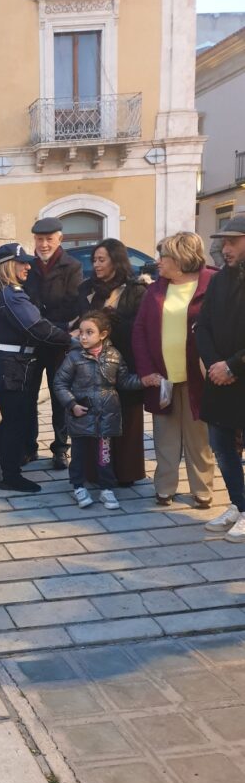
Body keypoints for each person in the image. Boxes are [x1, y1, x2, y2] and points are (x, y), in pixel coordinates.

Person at [132, 232, 216, 507]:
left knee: (199, 437)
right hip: (163, 378)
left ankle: (202, 490)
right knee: (165, 436)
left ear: (180, 259)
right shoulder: (156, 289)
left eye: (163, 256)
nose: (158, 262)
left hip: (199, 377)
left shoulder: (212, 283)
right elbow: (140, 330)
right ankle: (164, 488)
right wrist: (145, 370)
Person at [0, 243, 72, 493]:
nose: (28, 266)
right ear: (9, 266)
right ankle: (9, 475)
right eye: (22, 262)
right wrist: (72, 339)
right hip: (14, 368)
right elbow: (38, 328)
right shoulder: (12, 294)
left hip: (10, 366)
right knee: (17, 422)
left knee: (13, 420)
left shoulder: (1, 293)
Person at [54, 310, 160, 510]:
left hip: (107, 415)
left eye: (89, 332)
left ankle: (106, 487)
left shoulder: (114, 355)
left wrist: (144, 380)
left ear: (103, 334)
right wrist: (72, 405)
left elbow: (124, 381)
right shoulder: (74, 357)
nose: (83, 337)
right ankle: (78, 486)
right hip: (81, 414)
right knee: (78, 454)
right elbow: (60, 383)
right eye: (81, 332)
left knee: (105, 454)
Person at [78, 238, 149, 485]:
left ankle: (126, 472)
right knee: (95, 418)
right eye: (94, 260)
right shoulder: (88, 289)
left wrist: (112, 321)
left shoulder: (136, 290)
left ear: (116, 261)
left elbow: (141, 328)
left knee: (126, 419)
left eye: (101, 260)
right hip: (93, 366)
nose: (96, 265)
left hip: (124, 363)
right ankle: (94, 471)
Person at [196, 215, 245, 543]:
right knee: (221, 446)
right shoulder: (218, 280)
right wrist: (215, 364)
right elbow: (203, 325)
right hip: (219, 380)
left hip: (238, 374)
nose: (225, 248)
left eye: (233, 241)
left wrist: (233, 366)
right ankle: (239, 505)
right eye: (224, 242)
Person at [24, 217, 84, 470]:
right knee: (28, 396)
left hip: (59, 342)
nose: (44, 244)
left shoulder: (72, 266)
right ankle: (29, 447)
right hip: (34, 341)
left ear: (60, 239)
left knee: (60, 396)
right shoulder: (28, 265)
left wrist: (52, 325)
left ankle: (61, 448)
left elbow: (74, 303)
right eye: (39, 239)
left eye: (49, 239)